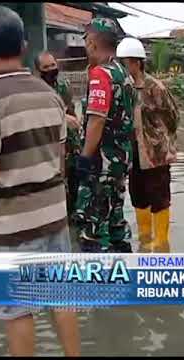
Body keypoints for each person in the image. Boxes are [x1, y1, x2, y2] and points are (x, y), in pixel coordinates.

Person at [0, 6, 80, 356]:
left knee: (17, 310)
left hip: (11, 225)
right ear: (24, 47)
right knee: (62, 299)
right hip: (54, 216)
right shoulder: (50, 96)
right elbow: (58, 158)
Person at [73, 18, 136, 253]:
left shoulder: (101, 74)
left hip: (101, 163)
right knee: (115, 218)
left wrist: (85, 157)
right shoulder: (123, 72)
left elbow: (97, 119)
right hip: (120, 161)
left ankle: (96, 279)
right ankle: (124, 270)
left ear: (92, 43)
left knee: (91, 226)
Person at [116, 37, 180, 253]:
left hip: (156, 154)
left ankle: (162, 244)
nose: (122, 66)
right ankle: (144, 240)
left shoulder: (155, 88)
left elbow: (173, 117)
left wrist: (163, 141)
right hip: (132, 153)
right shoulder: (123, 88)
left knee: (160, 198)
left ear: (136, 62)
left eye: (125, 62)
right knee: (138, 196)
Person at [34, 51, 82, 219]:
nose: (50, 69)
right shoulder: (35, 90)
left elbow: (71, 112)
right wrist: (63, 116)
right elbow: (38, 115)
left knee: (75, 178)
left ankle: (74, 215)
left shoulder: (64, 85)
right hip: (48, 144)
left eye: (53, 65)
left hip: (70, 142)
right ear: (38, 70)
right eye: (46, 67)